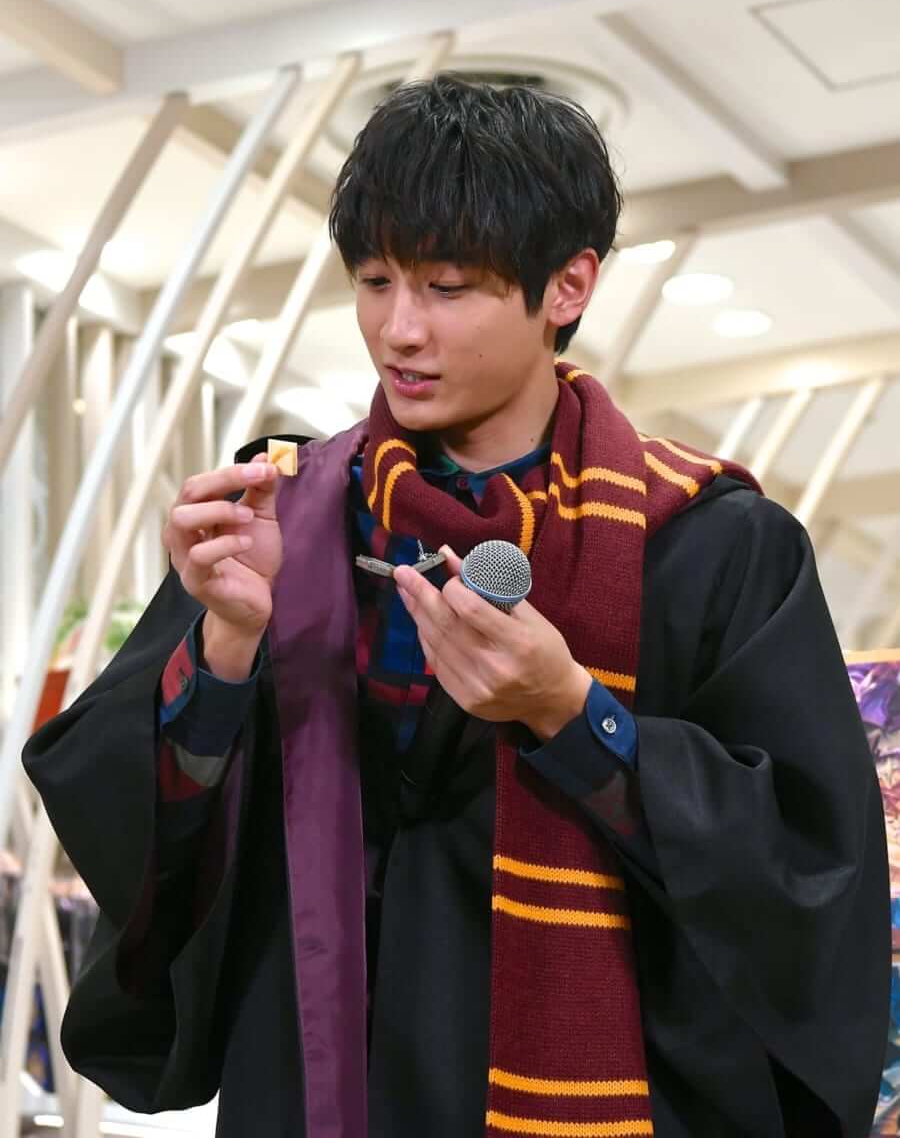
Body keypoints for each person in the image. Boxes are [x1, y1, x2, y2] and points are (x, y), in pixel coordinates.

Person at [24, 75, 889, 1138]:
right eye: (374, 280)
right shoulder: (289, 514)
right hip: (317, 1082)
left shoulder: (710, 544)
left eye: (445, 287)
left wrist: (573, 715)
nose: (399, 330)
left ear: (567, 286)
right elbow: (140, 833)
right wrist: (226, 643)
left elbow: (811, 865)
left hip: (597, 1092)